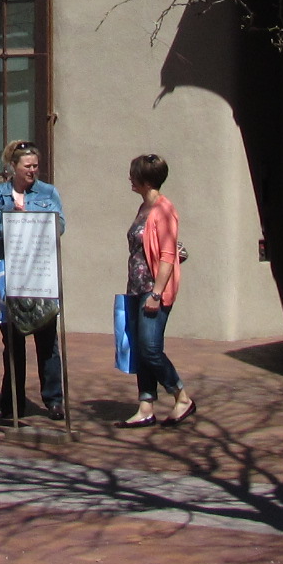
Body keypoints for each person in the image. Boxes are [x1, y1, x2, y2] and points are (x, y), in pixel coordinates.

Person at [0, 141, 64, 423]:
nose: (33, 171)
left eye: (36, 166)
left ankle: (54, 401)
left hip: (40, 274)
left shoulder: (48, 193)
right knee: (12, 343)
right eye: (27, 166)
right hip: (8, 274)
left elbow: (59, 225)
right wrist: (12, 223)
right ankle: (12, 403)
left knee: (47, 339)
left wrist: (36, 221)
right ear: (12, 167)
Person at [121, 152, 194, 426]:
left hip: (154, 290)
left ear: (145, 180)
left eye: (133, 175)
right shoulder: (144, 208)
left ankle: (181, 396)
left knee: (150, 348)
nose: (130, 179)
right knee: (141, 349)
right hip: (137, 287)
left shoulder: (164, 210)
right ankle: (145, 406)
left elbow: (166, 255)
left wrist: (156, 293)